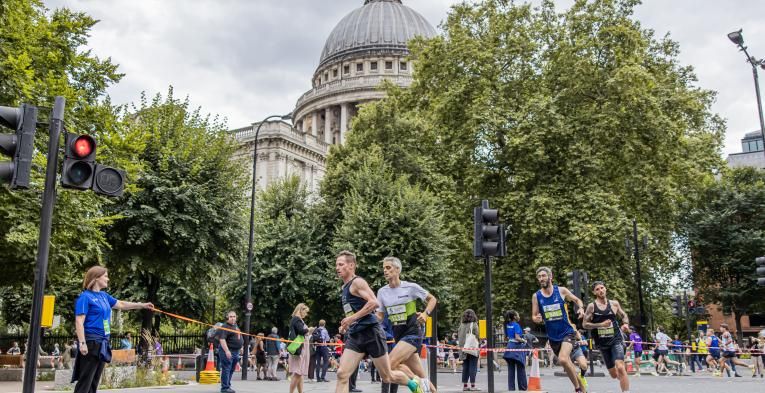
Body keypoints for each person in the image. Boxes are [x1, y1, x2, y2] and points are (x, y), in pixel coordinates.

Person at [333, 250, 425, 393]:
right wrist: (347, 323)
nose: (337, 268)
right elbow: (354, 312)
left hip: (371, 334)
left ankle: (413, 383)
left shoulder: (357, 282)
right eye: (336, 265)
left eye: (341, 264)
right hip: (356, 335)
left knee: (387, 376)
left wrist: (352, 318)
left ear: (351, 265)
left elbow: (374, 303)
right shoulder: (344, 287)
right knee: (342, 374)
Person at [72, 266, 153, 393]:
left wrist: (142, 305)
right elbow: (79, 321)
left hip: (103, 342)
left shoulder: (104, 296)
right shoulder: (85, 297)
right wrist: (82, 343)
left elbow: (121, 304)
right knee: (85, 381)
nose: (107, 279)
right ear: (96, 278)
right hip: (91, 341)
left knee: (94, 382)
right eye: (105, 276)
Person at [376, 256, 438, 393]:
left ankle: (415, 386)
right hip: (398, 335)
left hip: (413, 333)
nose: (385, 271)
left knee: (389, 365)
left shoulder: (410, 287)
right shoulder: (382, 292)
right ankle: (422, 384)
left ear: (397, 270)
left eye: (388, 268)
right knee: (422, 376)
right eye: (384, 268)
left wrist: (425, 313)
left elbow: (432, 299)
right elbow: (379, 316)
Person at [531, 267, 588, 393]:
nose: (541, 278)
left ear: (550, 276)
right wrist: (537, 318)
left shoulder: (561, 291)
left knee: (562, 359)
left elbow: (577, 300)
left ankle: (579, 389)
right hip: (553, 337)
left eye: (544, 275)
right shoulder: (536, 296)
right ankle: (579, 388)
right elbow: (534, 316)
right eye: (539, 276)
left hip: (567, 332)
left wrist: (581, 309)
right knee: (566, 363)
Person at [582, 281, 630, 393]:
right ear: (594, 292)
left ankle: (625, 390)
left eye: (602, 288)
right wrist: (600, 325)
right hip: (602, 343)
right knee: (614, 374)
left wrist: (626, 323)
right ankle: (623, 378)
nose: (600, 290)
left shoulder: (614, 304)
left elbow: (624, 315)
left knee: (620, 367)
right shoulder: (591, 307)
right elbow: (585, 324)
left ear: (606, 289)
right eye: (597, 289)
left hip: (616, 339)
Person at [216, 311, 243, 393]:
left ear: (236, 317)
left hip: (236, 351)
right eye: (231, 316)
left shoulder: (235, 325)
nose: (232, 318)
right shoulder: (225, 326)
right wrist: (227, 351)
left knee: (231, 369)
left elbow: (238, 336)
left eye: (234, 316)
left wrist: (241, 347)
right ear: (227, 317)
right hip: (228, 351)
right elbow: (222, 339)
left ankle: (227, 385)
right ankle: (224, 388)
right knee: (226, 369)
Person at [289, 303, 313, 393]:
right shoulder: (297, 319)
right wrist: (309, 329)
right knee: (298, 373)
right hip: (299, 347)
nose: (306, 314)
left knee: (300, 373)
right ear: (300, 310)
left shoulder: (296, 319)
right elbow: (301, 331)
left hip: (299, 346)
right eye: (305, 312)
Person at [502, 310, 527, 391]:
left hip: (509, 348)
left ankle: (511, 389)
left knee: (511, 369)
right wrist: (524, 341)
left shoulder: (507, 325)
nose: (519, 316)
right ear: (515, 317)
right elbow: (517, 337)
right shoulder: (516, 325)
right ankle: (522, 388)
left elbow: (506, 338)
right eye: (518, 315)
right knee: (521, 368)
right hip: (517, 348)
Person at [458, 309, 480, 391]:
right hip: (472, 348)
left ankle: (465, 385)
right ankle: (473, 386)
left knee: (465, 367)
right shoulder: (474, 324)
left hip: (463, 348)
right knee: (473, 366)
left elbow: (459, 336)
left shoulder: (461, 325)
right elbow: (477, 335)